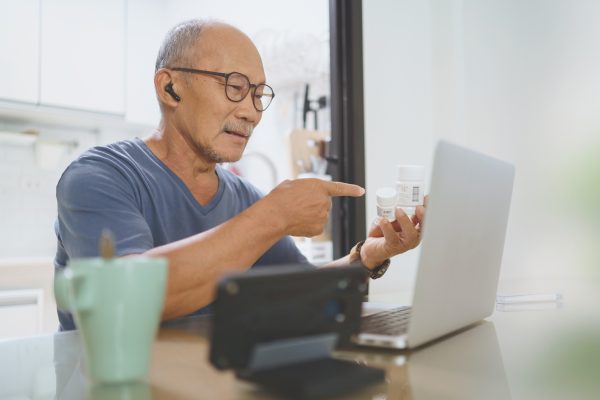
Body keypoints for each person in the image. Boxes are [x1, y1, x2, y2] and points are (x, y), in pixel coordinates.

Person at [54, 19, 425, 331]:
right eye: (234, 87)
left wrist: (370, 255)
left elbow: (300, 288)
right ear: (171, 88)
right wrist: (275, 214)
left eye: (258, 94)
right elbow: (123, 298)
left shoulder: (243, 197)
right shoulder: (98, 177)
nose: (251, 112)